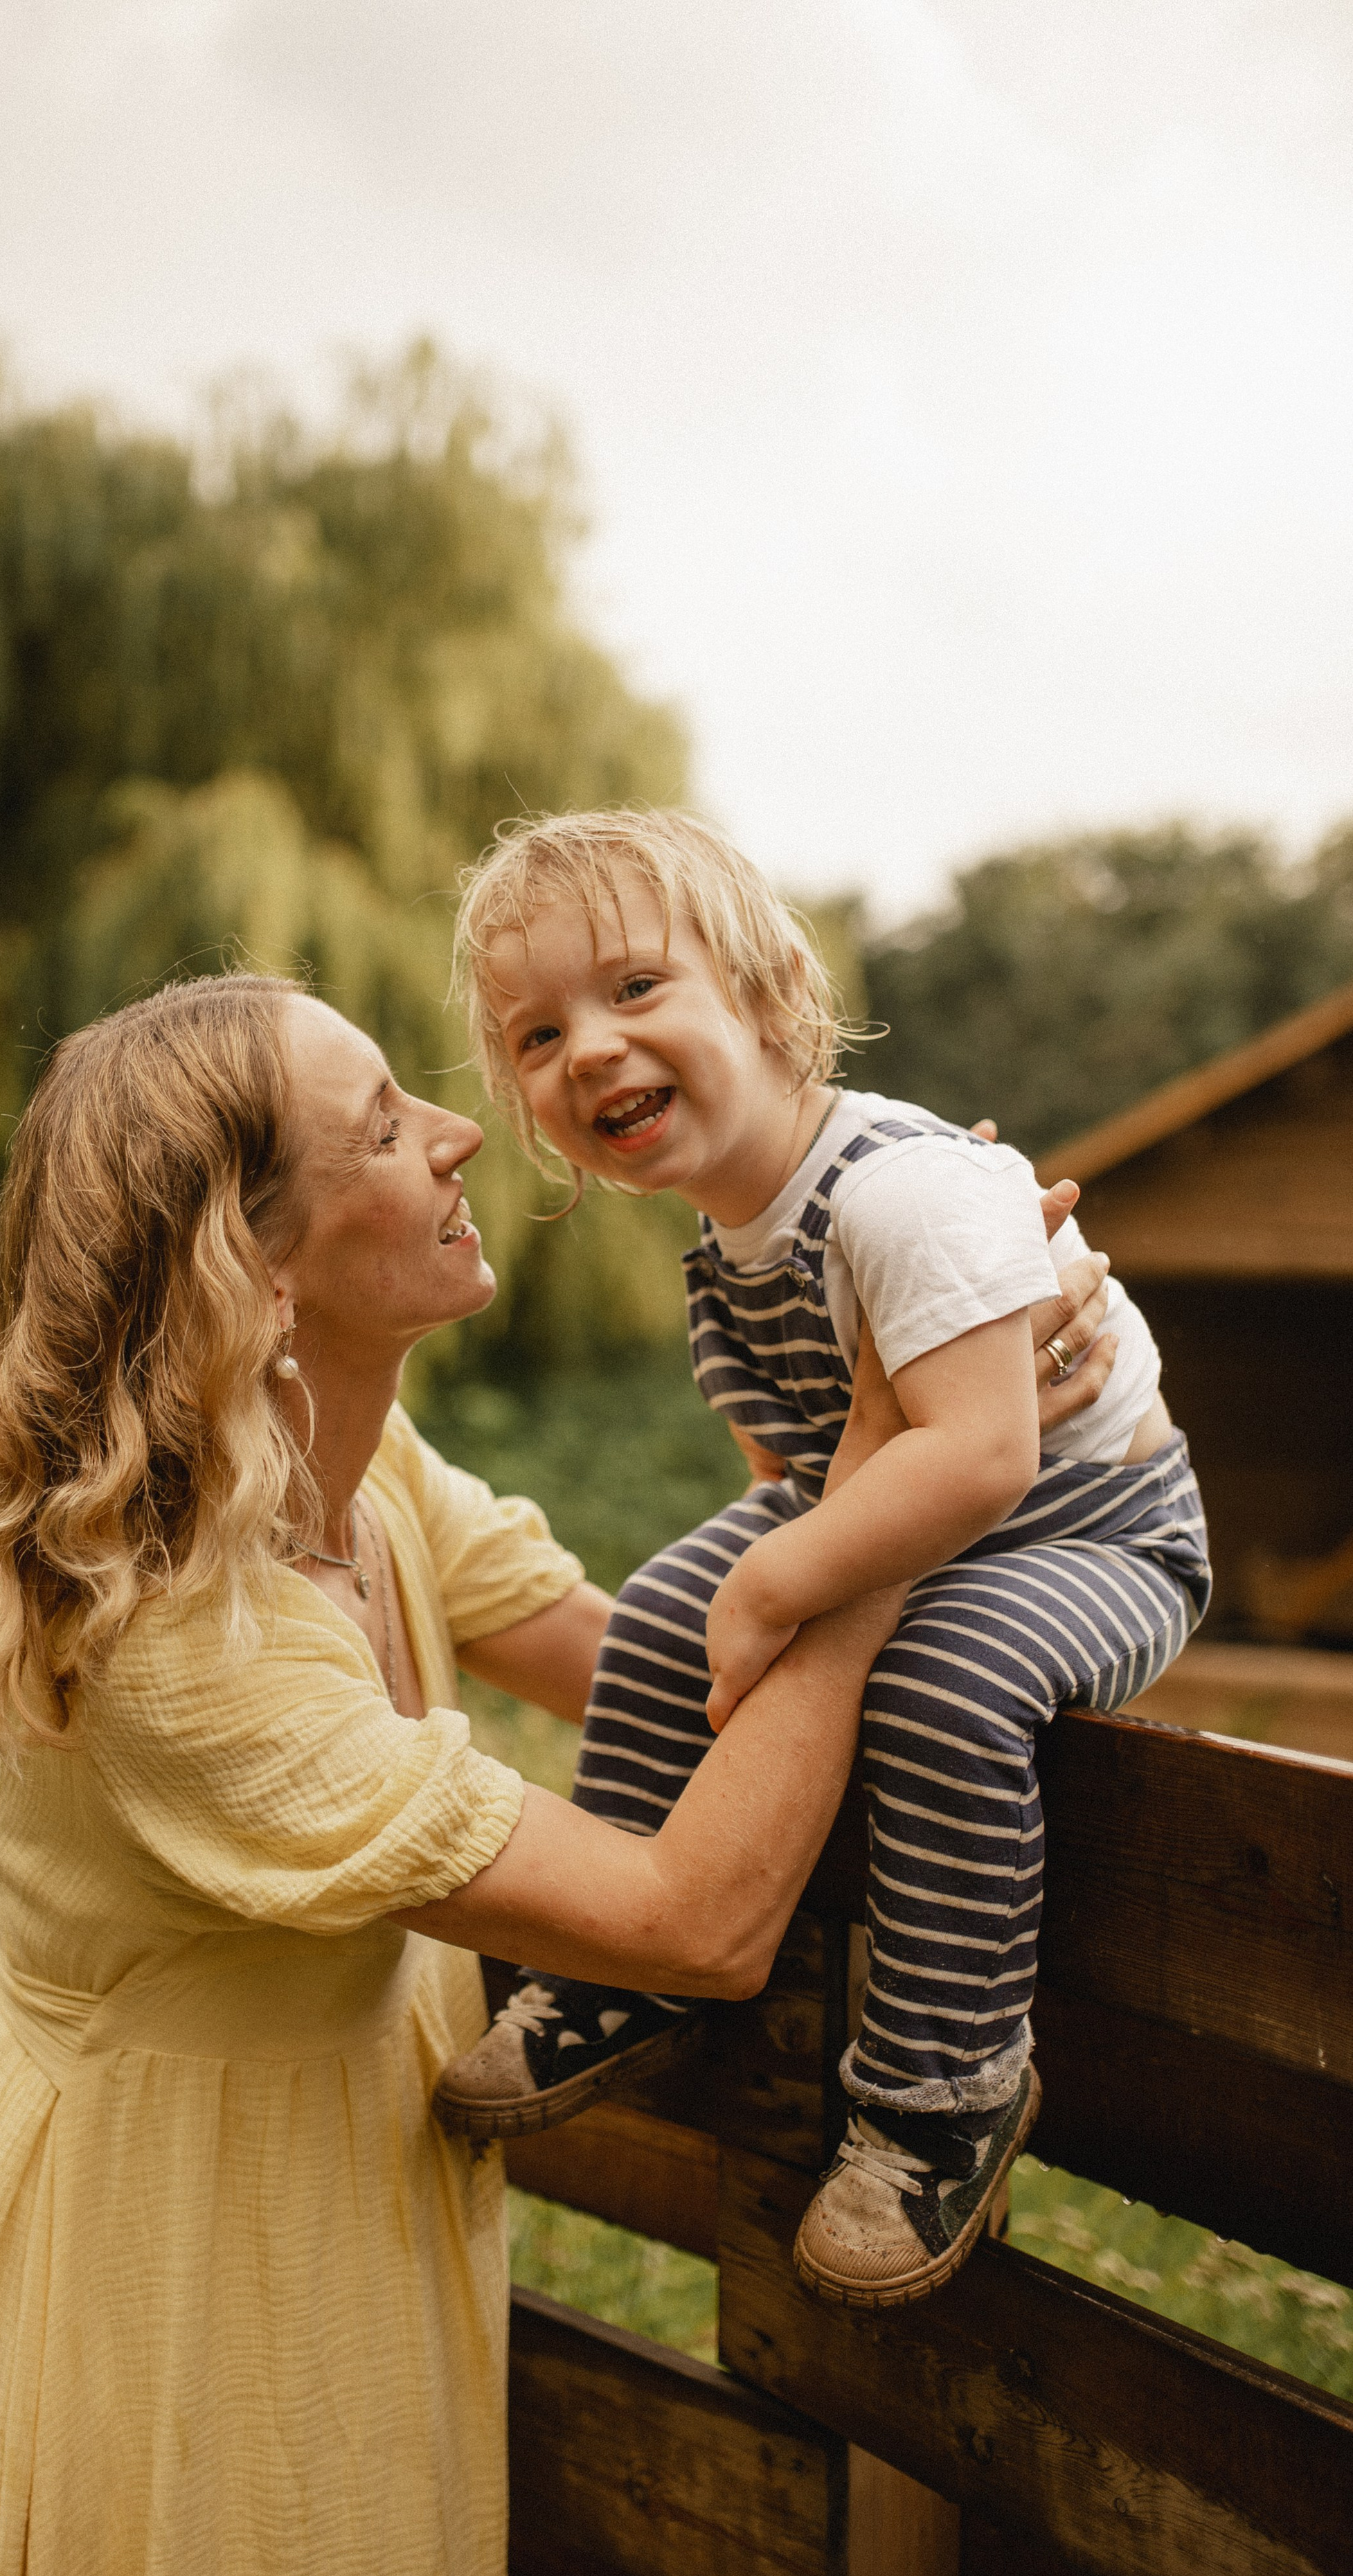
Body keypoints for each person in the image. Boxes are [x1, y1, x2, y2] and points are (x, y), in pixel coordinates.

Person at [0, 971, 926, 2576]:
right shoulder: (184, 1640)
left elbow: (655, 1675)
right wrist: (897, 1495)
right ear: (256, 1267)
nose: (462, 1132)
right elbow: (695, 1917)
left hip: (305, 2163)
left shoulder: (353, 1465)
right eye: (383, 1126)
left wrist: (910, 1327)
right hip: (137, 2250)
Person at [437, 808, 1210, 2312]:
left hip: (1091, 1524)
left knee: (938, 1681)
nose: (587, 1046)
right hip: (932, 1505)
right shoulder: (729, 1248)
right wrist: (751, 1574)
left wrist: (779, 1586)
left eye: (636, 988)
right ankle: (619, 1963)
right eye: (538, 1033)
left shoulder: (901, 1193)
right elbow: (795, 1473)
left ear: (769, 1001)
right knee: (662, 1604)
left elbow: (981, 1455)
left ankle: (942, 2097)